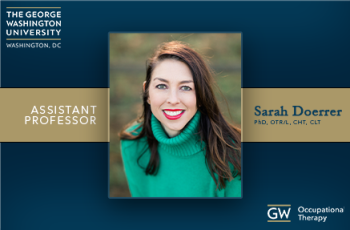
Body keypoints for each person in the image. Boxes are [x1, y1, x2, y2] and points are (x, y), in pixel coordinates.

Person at [119, 41, 241, 197]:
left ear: (201, 96)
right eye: (162, 86)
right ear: (147, 93)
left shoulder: (235, 154)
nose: (173, 99)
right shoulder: (132, 143)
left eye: (186, 87)